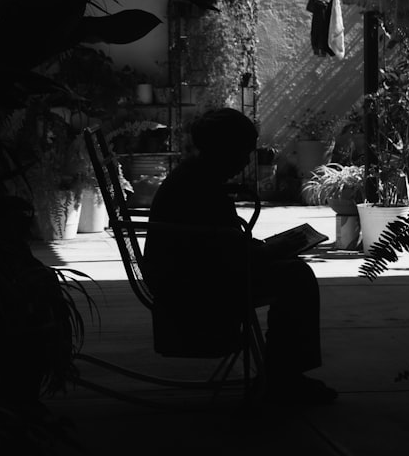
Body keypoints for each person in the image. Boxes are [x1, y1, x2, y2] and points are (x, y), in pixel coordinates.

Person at [143, 108, 337, 405]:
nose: (246, 160)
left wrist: (260, 249)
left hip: (192, 274)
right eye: (242, 152)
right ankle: (284, 378)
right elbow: (221, 251)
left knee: (290, 271)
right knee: (296, 276)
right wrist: (265, 251)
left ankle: (281, 374)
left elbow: (219, 244)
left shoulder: (194, 176)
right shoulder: (200, 187)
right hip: (195, 284)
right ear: (224, 149)